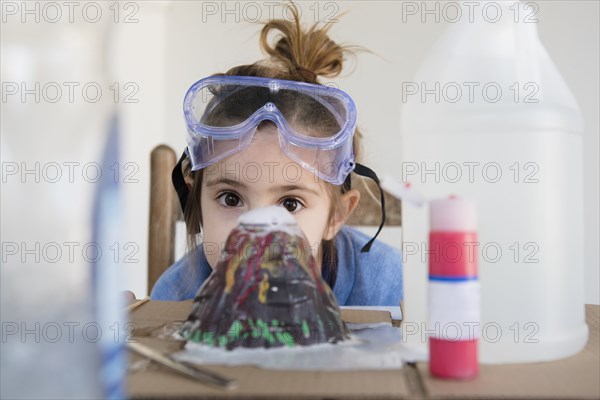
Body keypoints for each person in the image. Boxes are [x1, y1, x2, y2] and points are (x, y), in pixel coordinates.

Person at [150, 6, 402, 306]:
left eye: (290, 204)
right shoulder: (175, 298)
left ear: (335, 216)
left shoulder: (390, 290)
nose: (257, 234)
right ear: (197, 201)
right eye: (230, 198)